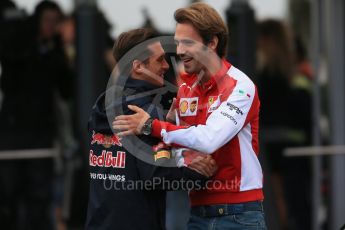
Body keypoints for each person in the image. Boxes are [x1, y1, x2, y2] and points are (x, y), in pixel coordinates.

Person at [113, 3, 267, 230]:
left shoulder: (240, 85)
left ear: (212, 43)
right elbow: (179, 151)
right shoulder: (185, 89)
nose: (180, 51)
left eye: (188, 43)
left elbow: (209, 139)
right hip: (196, 213)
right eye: (177, 43)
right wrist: (177, 151)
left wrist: (150, 126)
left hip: (240, 215)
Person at [85, 28, 217, 230]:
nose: (166, 66)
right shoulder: (145, 112)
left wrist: (167, 126)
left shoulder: (100, 107)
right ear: (138, 66)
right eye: (160, 60)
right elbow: (156, 176)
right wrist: (197, 173)